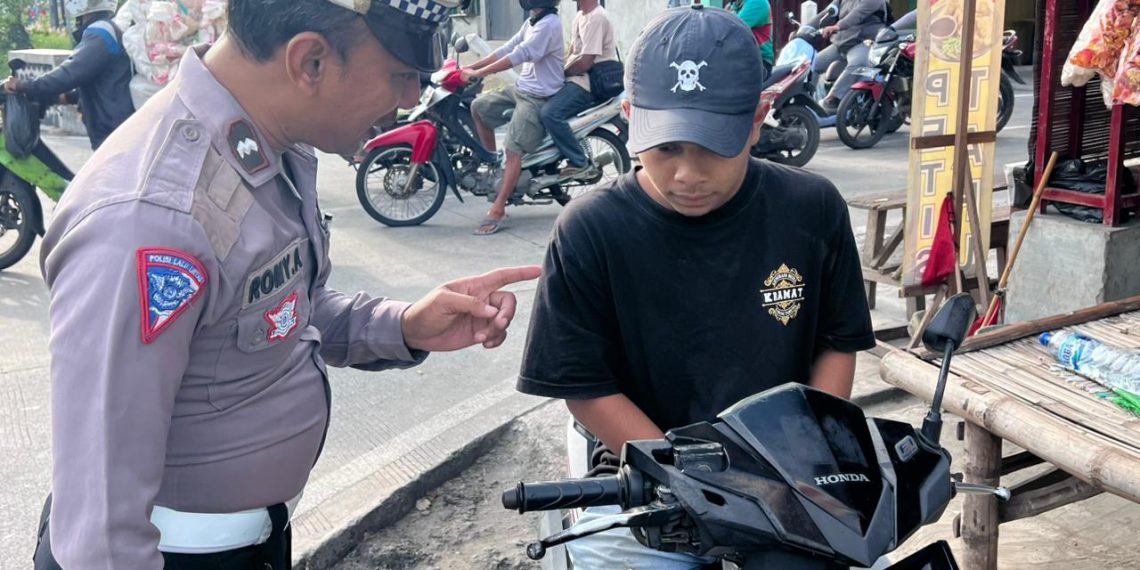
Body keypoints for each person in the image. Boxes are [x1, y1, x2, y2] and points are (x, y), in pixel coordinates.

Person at [33, 1, 540, 568]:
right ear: (311, 62)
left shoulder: (271, 142)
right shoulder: (150, 218)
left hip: (252, 541)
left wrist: (402, 326)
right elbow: (100, 539)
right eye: (401, 75)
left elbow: (277, 308)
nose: (406, 100)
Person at [517, 5, 875, 568]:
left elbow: (837, 342)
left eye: (714, 145)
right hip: (650, 471)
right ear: (632, 117)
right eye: (666, 147)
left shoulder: (812, 208)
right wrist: (688, 479)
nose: (687, 173)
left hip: (787, 475)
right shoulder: (590, 229)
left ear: (758, 118)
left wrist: (813, 462)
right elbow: (582, 384)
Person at [460, 0, 565, 236]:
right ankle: (496, 168)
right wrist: (469, 68)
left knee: (513, 149)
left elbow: (519, 55)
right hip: (521, 89)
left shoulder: (549, 24)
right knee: (479, 107)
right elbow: (506, 48)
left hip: (537, 98)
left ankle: (498, 209)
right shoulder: (532, 21)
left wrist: (479, 73)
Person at [3, 0, 134, 149]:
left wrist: (22, 85)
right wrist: (68, 97)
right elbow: (100, 77)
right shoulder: (109, 29)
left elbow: (70, 73)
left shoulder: (100, 33)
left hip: (112, 130)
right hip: (115, 125)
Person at [539, 0, 617, 181]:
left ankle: (579, 161)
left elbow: (585, 62)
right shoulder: (581, 16)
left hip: (587, 83)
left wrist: (561, 74)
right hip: (575, 79)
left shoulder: (597, 18)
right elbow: (573, 53)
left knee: (550, 113)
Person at [814, 0, 889, 111]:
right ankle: (807, 100)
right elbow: (828, 12)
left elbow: (856, 15)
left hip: (863, 41)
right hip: (841, 43)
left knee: (856, 65)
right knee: (812, 65)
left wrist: (836, 27)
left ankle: (832, 99)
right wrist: (807, 28)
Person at [729, 0, 774, 76]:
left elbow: (732, 27)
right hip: (743, 58)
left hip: (758, 62)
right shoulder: (736, 4)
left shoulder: (757, 2)